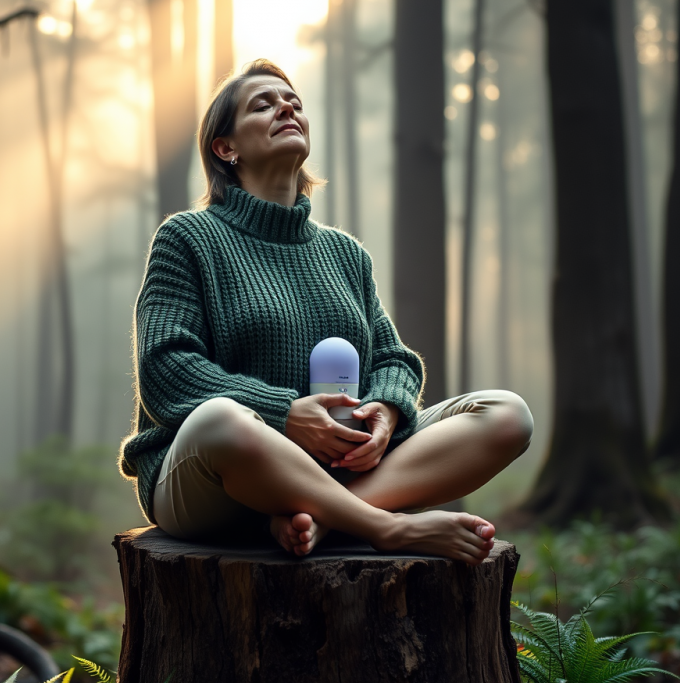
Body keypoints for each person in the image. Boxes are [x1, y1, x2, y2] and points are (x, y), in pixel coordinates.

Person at [119, 59, 534, 566]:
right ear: (225, 148)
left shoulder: (344, 253)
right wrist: (285, 417)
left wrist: (385, 411)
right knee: (221, 420)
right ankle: (385, 527)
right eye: (263, 104)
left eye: (293, 101)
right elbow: (167, 372)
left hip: (342, 470)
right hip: (211, 482)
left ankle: (319, 517)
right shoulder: (187, 239)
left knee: (507, 414)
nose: (287, 107)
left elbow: (393, 359)